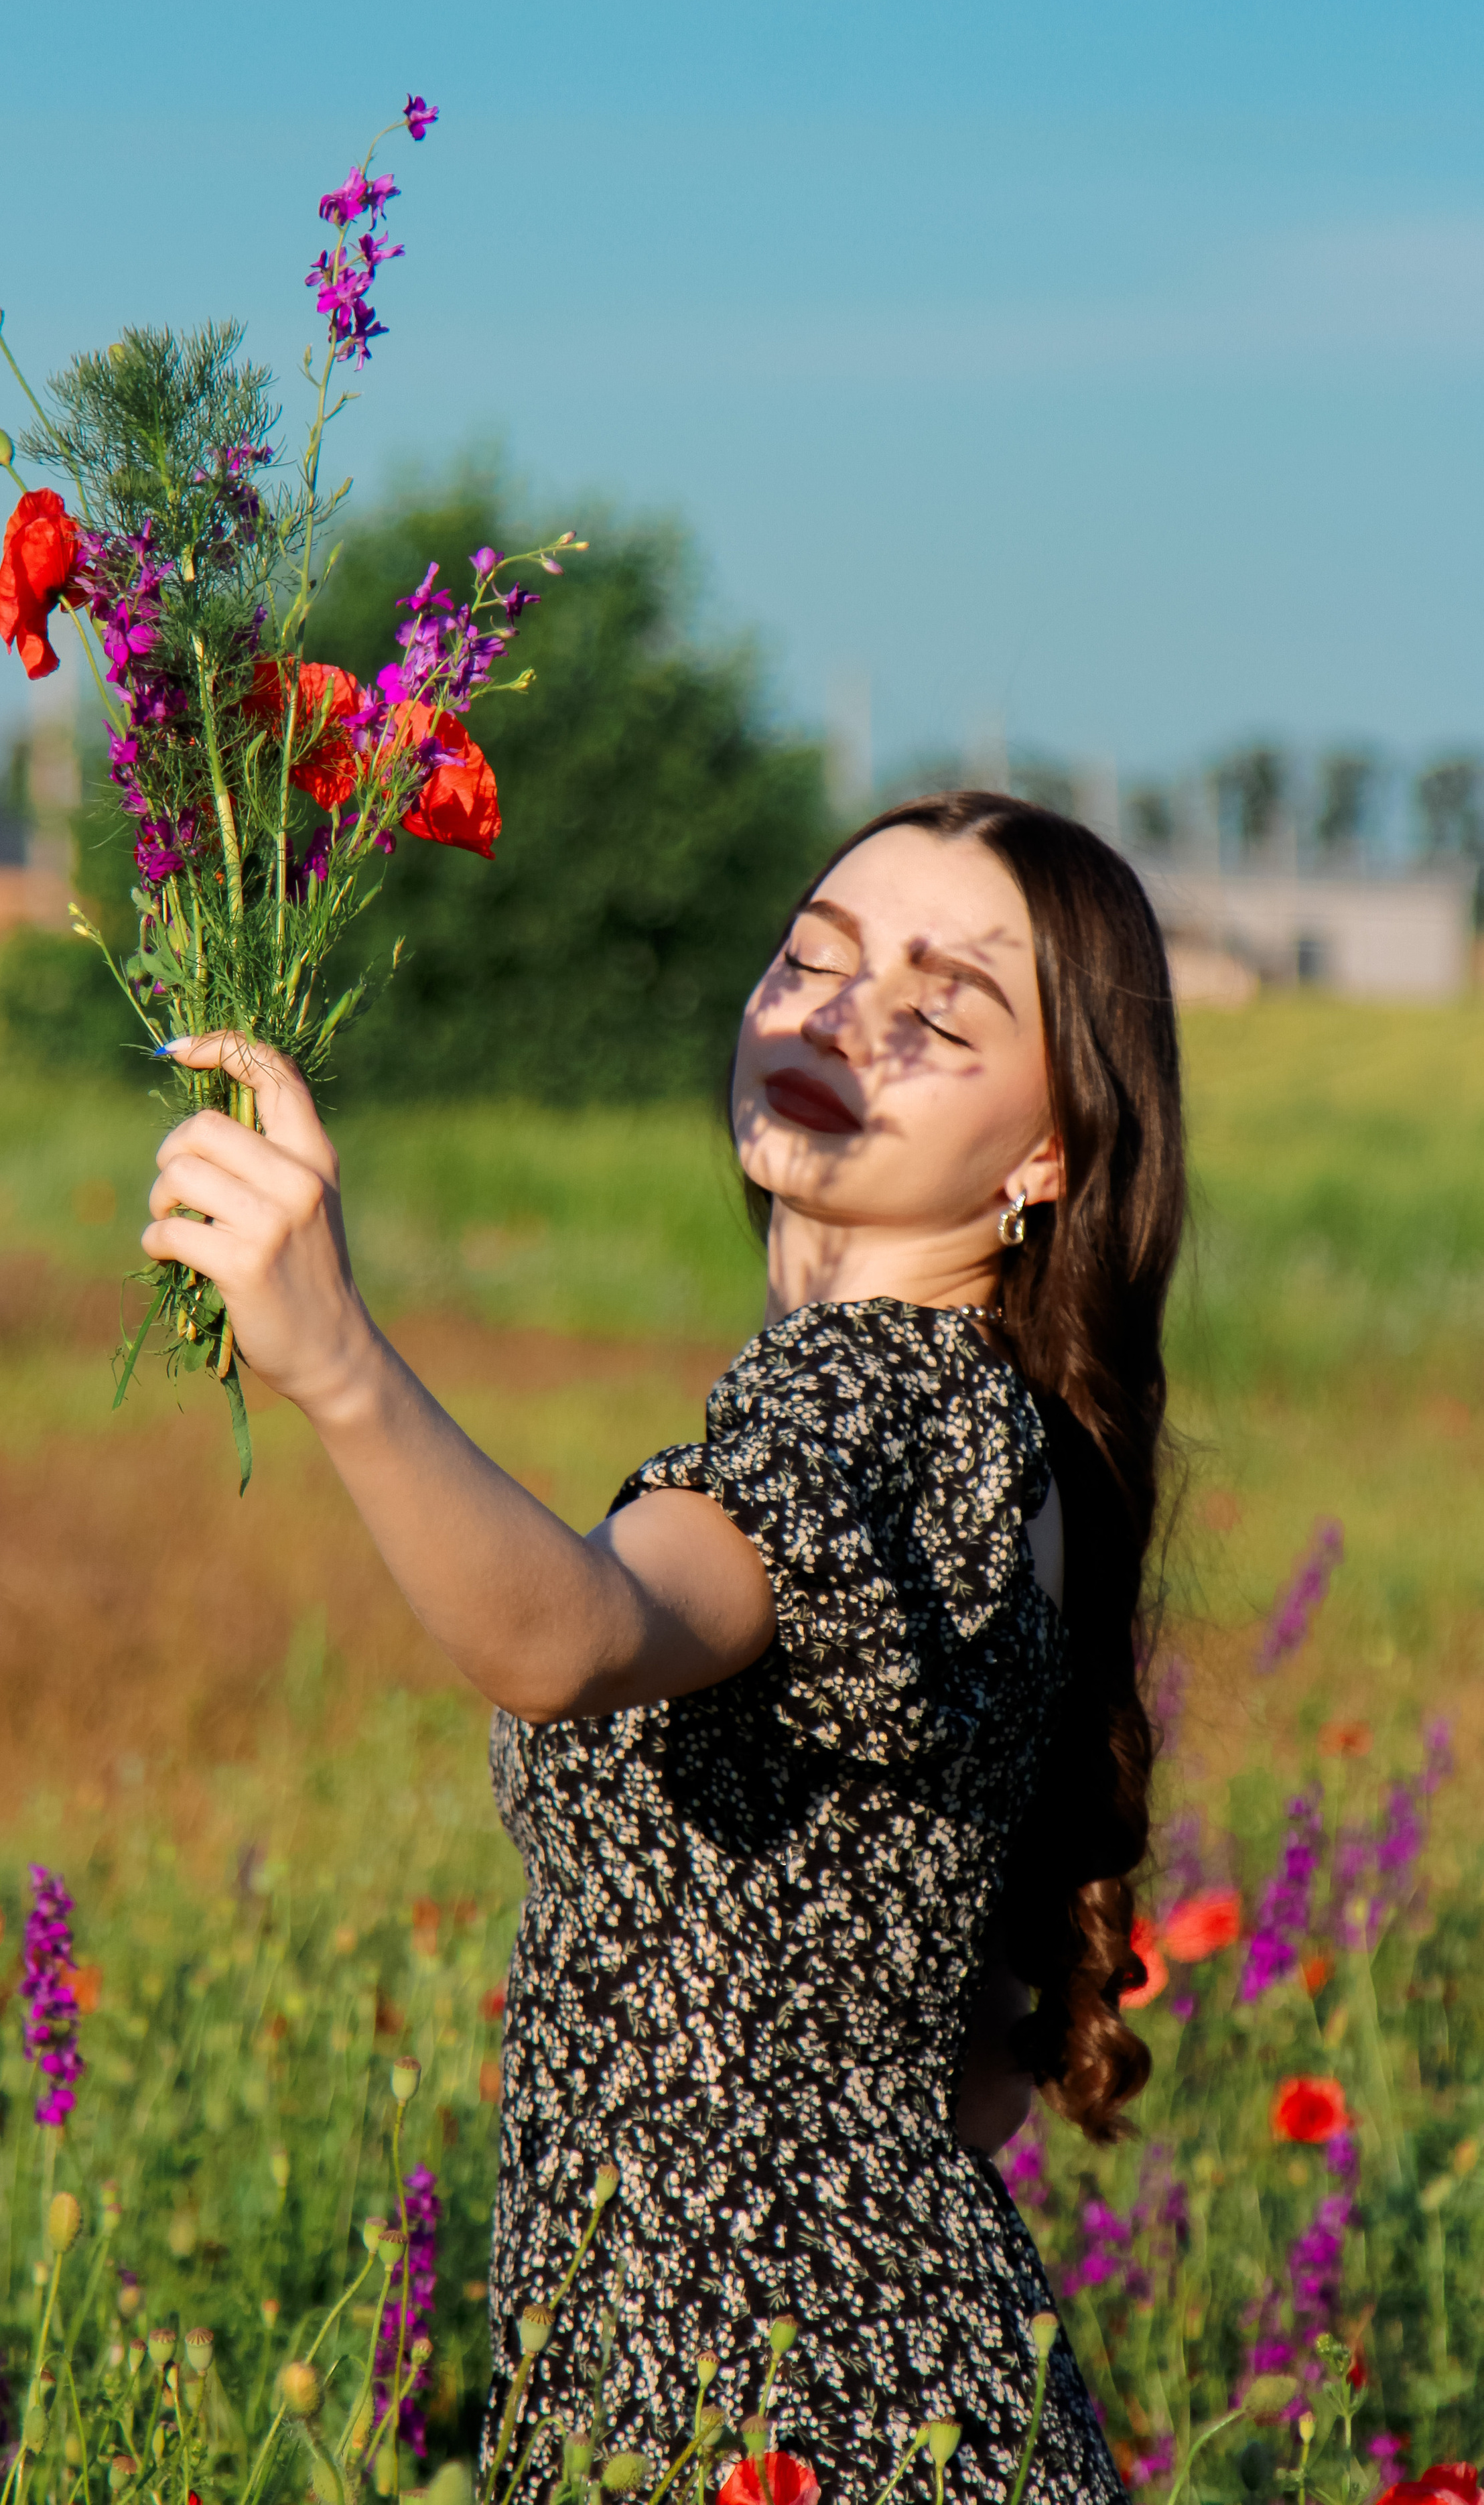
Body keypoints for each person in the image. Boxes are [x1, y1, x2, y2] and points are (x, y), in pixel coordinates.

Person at [143, 788, 1185, 2503]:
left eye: (934, 1011)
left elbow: (570, 1636)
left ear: (1049, 1150)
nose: (834, 1017)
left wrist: (331, 1354)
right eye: (809, 958)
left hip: (778, 2414)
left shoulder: (873, 1401)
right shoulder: (986, 1430)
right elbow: (971, 2070)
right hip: (839, 2392)